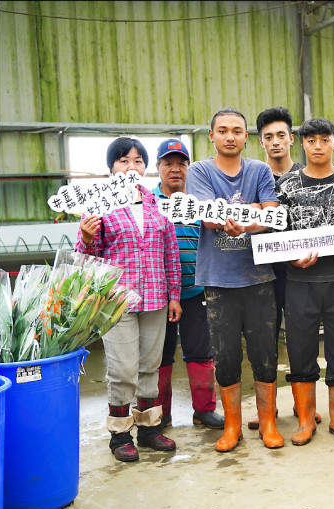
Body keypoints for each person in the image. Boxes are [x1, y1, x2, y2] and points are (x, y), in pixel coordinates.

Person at [76, 136, 182, 462]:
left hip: (155, 297)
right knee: (123, 369)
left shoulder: (156, 203)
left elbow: (170, 254)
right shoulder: (98, 205)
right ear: (111, 168)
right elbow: (86, 259)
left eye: (138, 161)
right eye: (124, 160)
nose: (131, 166)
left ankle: (149, 428)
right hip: (117, 301)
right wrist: (86, 237)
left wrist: (174, 295)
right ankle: (120, 434)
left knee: (151, 365)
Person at [186, 107, 283, 452]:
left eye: (237, 131)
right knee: (225, 357)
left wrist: (246, 219)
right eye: (223, 130)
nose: (230, 136)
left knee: (264, 353)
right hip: (218, 280)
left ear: (246, 137)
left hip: (258, 278)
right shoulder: (198, 170)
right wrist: (249, 213)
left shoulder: (259, 170)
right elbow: (206, 215)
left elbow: (273, 214)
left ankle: (268, 422)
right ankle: (232, 426)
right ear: (212, 136)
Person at [276, 117, 334, 445]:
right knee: (300, 351)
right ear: (302, 144)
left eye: (323, 140)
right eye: (310, 140)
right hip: (299, 283)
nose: (317, 146)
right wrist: (289, 256)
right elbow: (277, 234)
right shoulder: (286, 186)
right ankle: (305, 421)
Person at [248, 106, 317, 431]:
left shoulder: (308, 176)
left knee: (302, 338)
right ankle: (267, 410)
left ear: (292, 139)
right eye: (268, 137)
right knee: (265, 338)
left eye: (280, 136)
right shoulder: (254, 178)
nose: (275, 142)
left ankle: (304, 406)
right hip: (263, 272)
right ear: (261, 142)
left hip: (303, 271)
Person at [152, 139, 224, 431]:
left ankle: (204, 411)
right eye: (168, 163)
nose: (175, 169)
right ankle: (160, 412)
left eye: (181, 163)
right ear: (158, 168)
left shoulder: (199, 203)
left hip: (195, 291)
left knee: (201, 351)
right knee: (160, 354)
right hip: (157, 294)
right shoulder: (148, 204)